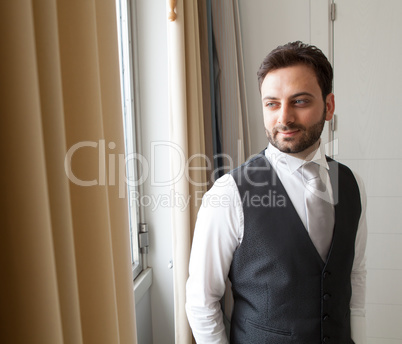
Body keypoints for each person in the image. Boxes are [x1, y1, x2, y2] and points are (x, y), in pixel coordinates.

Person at [186, 41, 367, 344]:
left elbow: (354, 277)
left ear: (329, 106)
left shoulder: (352, 183)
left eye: (299, 102)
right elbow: (201, 302)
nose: (284, 118)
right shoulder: (229, 193)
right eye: (272, 104)